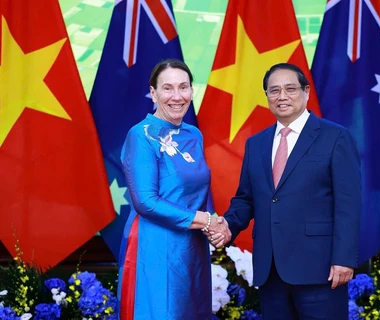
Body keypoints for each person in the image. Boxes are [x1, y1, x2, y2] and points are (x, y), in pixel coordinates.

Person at [212, 63, 361, 319]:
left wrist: (344, 258)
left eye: (290, 89)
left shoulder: (336, 137)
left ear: (306, 92)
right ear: (267, 97)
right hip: (270, 272)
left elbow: (349, 204)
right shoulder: (256, 143)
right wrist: (227, 225)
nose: (282, 96)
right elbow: (246, 198)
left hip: (321, 269)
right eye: (274, 90)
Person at [117, 58, 230, 319]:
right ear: (153, 93)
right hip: (154, 245)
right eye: (167, 88)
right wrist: (205, 220)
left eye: (184, 87)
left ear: (192, 91)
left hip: (192, 246)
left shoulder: (193, 134)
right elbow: (146, 201)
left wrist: (214, 227)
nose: (177, 96)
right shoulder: (141, 135)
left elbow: (198, 190)